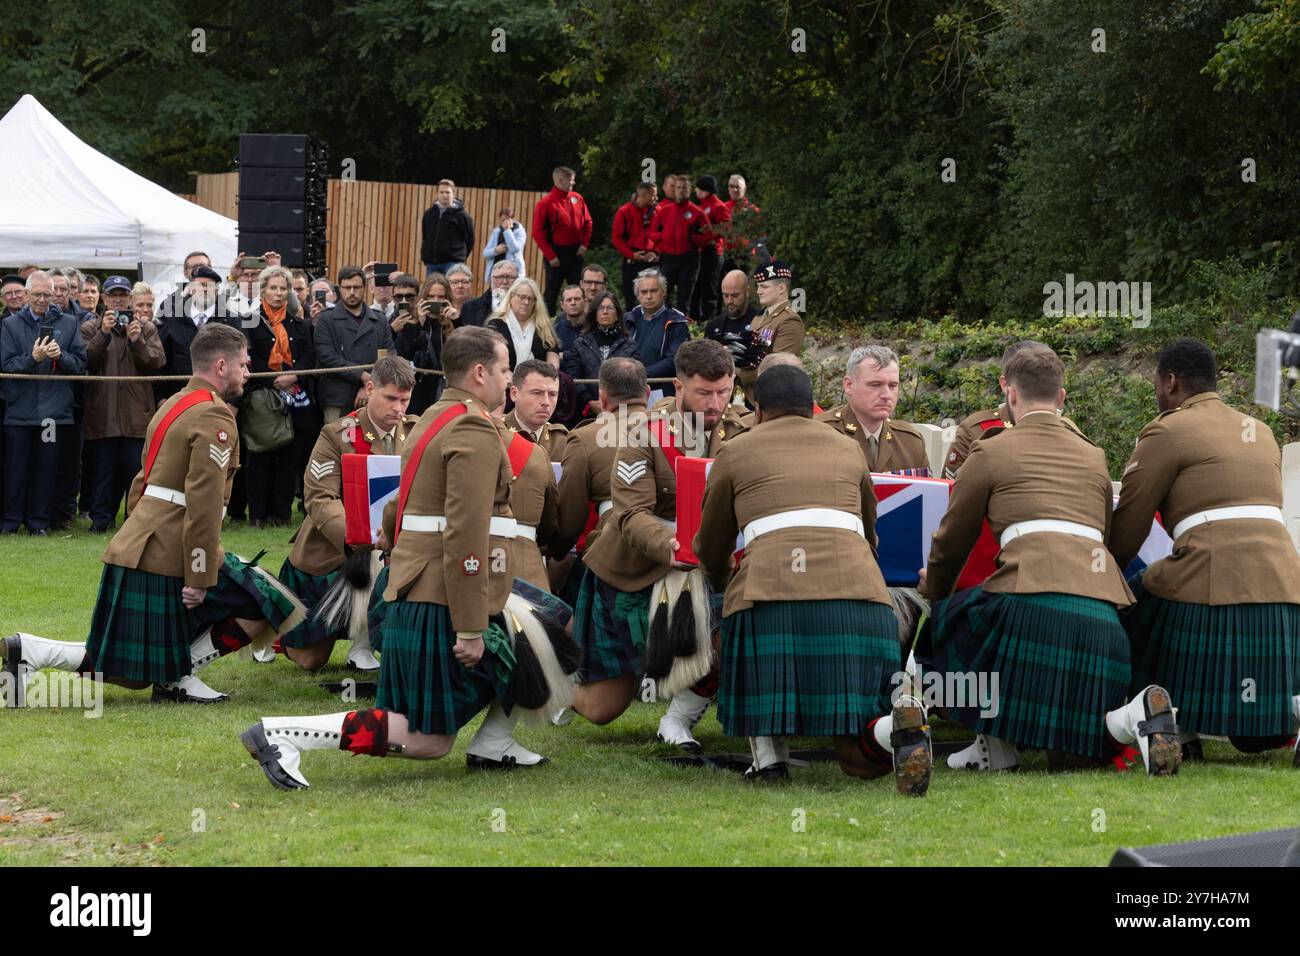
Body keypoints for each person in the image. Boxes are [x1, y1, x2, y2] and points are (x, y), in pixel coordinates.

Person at [239, 327, 555, 788]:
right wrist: (470, 626)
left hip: (418, 585)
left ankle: (493, 743)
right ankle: (281, 734)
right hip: (443, 595)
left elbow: (397, 506)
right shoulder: (472, 426)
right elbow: (466, 532)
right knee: (428, 737)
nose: (509, 380)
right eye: (506, 369)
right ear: (481, 371)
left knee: (535, 641)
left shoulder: (431, 418)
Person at [1, 323, 305, 705]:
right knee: (265, 603)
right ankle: (178, 675)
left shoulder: (174, 404)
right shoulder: (214, 416)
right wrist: (199, 573)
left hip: (145, 539)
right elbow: (204, 503)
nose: (248, 372)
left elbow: (141, 480)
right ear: (222, 365)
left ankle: (31, 651)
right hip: (169, 546)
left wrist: (136, 530)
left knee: (130, 669)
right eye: (244, 365)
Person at [916, 343, 1182, 775]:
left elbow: (951, 542)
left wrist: (938, 597)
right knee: (1072, 756)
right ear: (1061, 398)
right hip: (1103, 626)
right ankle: (1130, 718)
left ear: (1010, 394)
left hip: (1026, 612)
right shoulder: (1094, 457)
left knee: (946, 628)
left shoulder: (989, 451)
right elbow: (1107, 540)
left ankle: (993, 742)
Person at [696, 365, 933, 790]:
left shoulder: (735, 449)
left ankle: (769, 761)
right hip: (863, 600)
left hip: (769, 599)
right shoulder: (847, 449)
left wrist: (721, 582)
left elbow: (711, 544)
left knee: (762, 677)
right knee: (855, 758)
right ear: (812, 408)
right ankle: (890, 730)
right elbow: (869, 531)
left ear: (758, 410)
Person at [1110, 339, 1300, 765]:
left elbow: (1127, 532)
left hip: (1211, 585)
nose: (1157, 396)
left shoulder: (1166, 430)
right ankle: (1291, 708)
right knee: (1256, 735)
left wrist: (1100, 583)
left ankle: (1165, 720)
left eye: (1158, 385)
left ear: (1172, 382)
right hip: (1288, 590)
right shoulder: (1261, 431)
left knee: (1128, 608)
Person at [572, 339, 748, 748]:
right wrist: (671, 545)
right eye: (704, 392)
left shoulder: (743, 430)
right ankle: (551, 678)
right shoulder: (642, 433)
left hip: (711, 564)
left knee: (732, 629)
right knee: (601, 708)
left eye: (724, 391)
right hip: (635, 568)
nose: (715, 403)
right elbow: (630, 513)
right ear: (677, 386)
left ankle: (677, 720)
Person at [277, 356, 421, 673]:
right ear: (370, 389)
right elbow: (319, 497)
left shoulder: (416, 434)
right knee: (309, 660)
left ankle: (364, 645)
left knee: (383, 557)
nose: (398, 409)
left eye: (405, 400)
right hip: (332, 553)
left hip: (396, 551)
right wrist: (359, 534)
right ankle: (276, 613)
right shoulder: (336, 435)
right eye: (391, 398)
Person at [0, 271, 87, 535]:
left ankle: (39, 523)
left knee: (46, 469)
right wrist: (33, 358)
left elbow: (81, 366)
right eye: (36, 294)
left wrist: (61, 357)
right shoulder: (10, 325)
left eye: (46, 295)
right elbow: (6, 366)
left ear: (55, 295)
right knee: (16, 470)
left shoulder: (70, 323)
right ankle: (10, 522)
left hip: (53, 413)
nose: (41, 300)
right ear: (26, 295)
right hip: (20, 411)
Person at [79, 280, 166, 533]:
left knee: (135, 473)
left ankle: (135, 521)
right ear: (104, 298)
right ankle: (100, 520)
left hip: (137, 416)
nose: (118, 300)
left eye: (123, 296)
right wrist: (102, 335)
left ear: (129, 299)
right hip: (103, 414)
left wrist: (137, 341)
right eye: (113, 295)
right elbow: (86, 361)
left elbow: (157, 363)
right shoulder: (89, 327)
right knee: (102, 472)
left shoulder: (147, 328)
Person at [240, 266, 316, 528]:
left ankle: (282, 514)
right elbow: (248, 359)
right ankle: (258, 515)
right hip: (263, 398)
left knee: (290, 458)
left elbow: (309, 356)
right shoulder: (249, 321)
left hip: (296, 398)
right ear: (263, 290)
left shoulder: (299, 323)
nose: (279, 293)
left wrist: (293, 376)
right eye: (273, 287)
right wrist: (275, 380)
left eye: (284, 288)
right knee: (260, 458)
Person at [816, 346, 929, 474]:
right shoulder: (820, 433)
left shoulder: (910, 443)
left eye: (892, 386)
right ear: (848, 385)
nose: (886, 395)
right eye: (875, 385)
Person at [313, 265, 393, 423]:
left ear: (365, 288)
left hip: (374, 396)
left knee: (373, 445)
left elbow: (388, 356)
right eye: (347, 287)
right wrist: (362, 376)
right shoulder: (326, 319)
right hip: (338, 397)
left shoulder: (379, 320)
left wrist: (369, 384)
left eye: (356, 287)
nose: (351, 292)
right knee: (341, 445)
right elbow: (328, 358)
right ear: (339, 290)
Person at [156, 266, 228, 405]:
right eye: (200, 285)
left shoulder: (230, 320)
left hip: (220, 402)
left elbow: (241, 363)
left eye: (210, 286)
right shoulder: (172, 319)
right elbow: (160, 362)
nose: (205, 289)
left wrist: (233, 404)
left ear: (217, 291)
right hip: (177, 402)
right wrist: (160, 398)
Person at [734, 262, 805, 404]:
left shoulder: (790, 320)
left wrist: (738, 374)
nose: (759, 291)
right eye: (759, 286)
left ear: (781, 288)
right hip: (747, 396)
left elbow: (777, 368)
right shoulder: (759, 317)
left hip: (770, 400)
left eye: (764, 286)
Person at [563, 291, 638, 415]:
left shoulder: (630, 345)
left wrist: (616, 403)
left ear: (617, 314)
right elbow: (573, 376)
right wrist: (589, 401)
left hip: (622, 410)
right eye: (601, 308)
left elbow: (635, 379)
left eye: (610, 308)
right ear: (594, 314)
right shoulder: (581, 342)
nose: (605, 312)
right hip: (587, 411)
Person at [533, 166, 593, 315]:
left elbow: (588, 222)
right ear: (560, 180)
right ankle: (546, 327)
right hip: (556, 255)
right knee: (551, 293)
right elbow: (537, 232)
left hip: (576, 253)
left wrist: (584, 245)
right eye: (571, 182)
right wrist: (551, 255)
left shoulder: (577, 198)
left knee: (578, 292)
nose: (573, 185)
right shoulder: (546, 203)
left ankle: (579, 323)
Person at [649, 174, 710, 317]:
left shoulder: (697, 212)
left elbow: (708, 236)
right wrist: (663, 237)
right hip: (668, 259)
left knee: (684, 300)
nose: (681, 190)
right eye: (678, 187)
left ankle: (682, 331)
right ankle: (661, 326)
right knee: (662, 296)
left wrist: (692, 238)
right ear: (674, 190)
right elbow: (651, 232)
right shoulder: (664, 211)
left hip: (689, 259)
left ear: (689, 190)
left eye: (684, 188)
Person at [624, 271, 689, 397]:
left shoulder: (677, 321)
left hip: (663, 391)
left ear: (664, 292)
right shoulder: (627, 319)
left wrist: (640, 374)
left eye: (654, 291)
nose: (649, 296)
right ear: (637, 295)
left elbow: (673, 360)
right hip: (629, 389)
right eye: (644, 292)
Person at [391, 273, 448, 415]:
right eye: (431, 297)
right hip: (420, 390)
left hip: (446, 389)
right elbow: (408, 356)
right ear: (423, 299)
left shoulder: (452, 323)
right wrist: (421, 325)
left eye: (441, 297)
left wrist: (457, 320)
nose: (436, 301)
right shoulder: (411, 324)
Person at [486, 277, 559, 370]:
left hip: (538, 381)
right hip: (504, 380)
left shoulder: (543, 328)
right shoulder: (495, 325)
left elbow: (553, 360)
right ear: (511, 297)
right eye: (522, 297)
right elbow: (489, 358)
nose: (526, 302)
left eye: (531, 299)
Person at [689, 175, 731, 323]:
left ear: (705, 190)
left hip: (712, 252)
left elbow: (726, 227)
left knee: (709, 289)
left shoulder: (719, 206)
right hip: (700, 252)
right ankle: (696, 321)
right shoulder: (700, 206)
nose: (696, 190)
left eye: (698, 188)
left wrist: (708, 231)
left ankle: (711, 322)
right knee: (697, 288)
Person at [612, 182, 660, 311]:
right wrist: (631, 254)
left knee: (653, 295)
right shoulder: (624, 211)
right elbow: (616, 238)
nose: (656, 198)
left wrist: (656, 252)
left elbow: (663, 235)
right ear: (643, 195)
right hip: (632, 257)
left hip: (652, 258)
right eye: (653, 195)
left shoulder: (658, 211)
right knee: (631, 295)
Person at [704, 269, 762, 376]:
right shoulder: (713, 326)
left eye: (735, 296)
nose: (730, 301)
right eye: (725, 296)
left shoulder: (761, 321)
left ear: (747, 292)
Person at [420, 179, 475, 277]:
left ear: (453, 194)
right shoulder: (429, 214)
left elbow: (470, 240)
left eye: (447, 192)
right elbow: (425, 236)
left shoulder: (462, 216)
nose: (444, 195)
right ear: (437, 194)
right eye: (441, 192)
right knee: (432, 291)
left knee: (451, 290)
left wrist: (459, 257)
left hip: (453, 263)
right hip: (432, 264)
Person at [458, 260, 516, 329]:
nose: (505, 282)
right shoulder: (470, 307)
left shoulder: (523, 306)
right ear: (491, 279)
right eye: (500, 277)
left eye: (509, 277)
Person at [482, 206, 527, 280]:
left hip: (512, 274)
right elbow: (485, 253)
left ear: (513, 219)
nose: (505, 223)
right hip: (497, 273)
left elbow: (514, 249)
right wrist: (496, 250)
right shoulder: (496, 232)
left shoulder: (520, 232)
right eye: (502, 221)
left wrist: (507, 231)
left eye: (507, 220)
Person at [554, 284, 587, 355]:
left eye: (577, 299)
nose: (573, 303)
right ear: (562, 305)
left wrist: (564, 355)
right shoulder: (554, 332)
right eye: (569, 300)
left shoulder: (594, 327)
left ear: (585, 301)